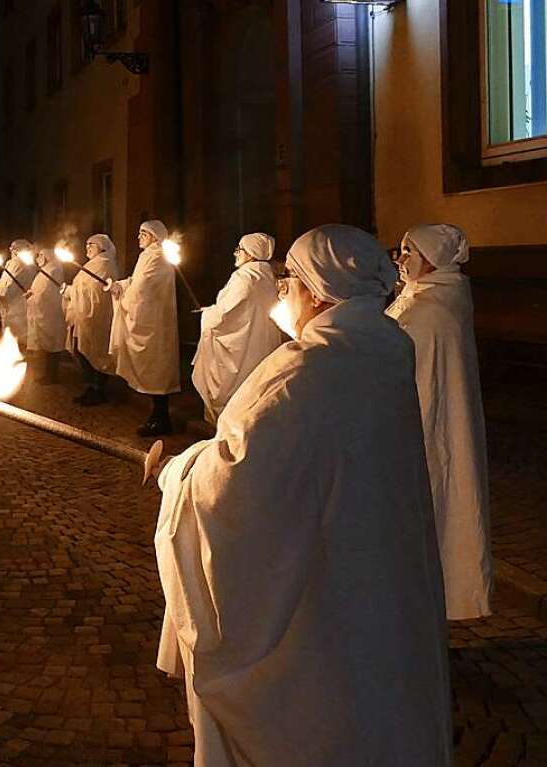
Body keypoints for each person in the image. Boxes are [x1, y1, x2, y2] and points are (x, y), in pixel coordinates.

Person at [153, 224, 451, 766]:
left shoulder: (307, 371)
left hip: (320, 598)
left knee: (326, 717)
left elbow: (242, 490)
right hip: (375, 575)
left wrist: (181, 470)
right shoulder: (383, 349)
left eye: (290, 280)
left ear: (318, 291)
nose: (283, 291)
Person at [387, 223, 492, 620]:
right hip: (426, 420)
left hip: (428, 425)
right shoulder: (426, 297)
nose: (400, 260)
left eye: (408, 252)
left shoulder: (431, 309)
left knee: (433, 505)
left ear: (432, 259)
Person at [191, 232, 283, 424]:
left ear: (251, 253)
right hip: (261, 343)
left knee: (235, 392)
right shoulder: (267, 276)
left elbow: (226, 313)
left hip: (241, 347)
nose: (236, 254)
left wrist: (207, 315)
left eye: (239, 249)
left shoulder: (245, 276)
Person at [109, 220, 180, 436]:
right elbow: (136, 281)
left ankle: (161, 418)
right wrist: (120, 285)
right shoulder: (149, 255)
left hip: (154, 322)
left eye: (143, 233)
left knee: (156, 368)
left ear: (155, 237)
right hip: (151, 319)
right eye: (139, 232)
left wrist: (123, 299)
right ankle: (158, 416)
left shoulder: (157, 256)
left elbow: (143, 288)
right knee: (153, 369)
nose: (139, 236)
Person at [62, 233, 119, 405]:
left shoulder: (105, 263)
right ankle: (89, 387)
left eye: (92, 244)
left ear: (102, 247)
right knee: (82, 350)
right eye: (86, 244)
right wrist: (71, 290)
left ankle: (98, 390)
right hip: (83, 315)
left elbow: (95, 290)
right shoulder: (92, 264)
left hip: (97, 316)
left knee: (97, 351)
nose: (87, 247)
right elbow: (83, 287)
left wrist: (72, 291)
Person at [25, 246, 67, 383]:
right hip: (44, 312)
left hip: (51, 313)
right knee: (47, 345)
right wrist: (31, 293)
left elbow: (47, 293)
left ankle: (52, 376)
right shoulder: (44, 271)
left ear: (47, 257)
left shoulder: (54, 270)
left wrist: (33, 298)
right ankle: (47, 374)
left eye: (40, 256)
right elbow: (38, 289)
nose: (38, 259)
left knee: (53, 345)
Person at [0, 239, 37, 349]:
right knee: (12, 332)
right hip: (11, 304)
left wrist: (1, 293)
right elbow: (4, 281)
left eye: (13, 248)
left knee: (18, 333)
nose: (11, 250)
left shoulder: (19, 264)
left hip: (18, 304)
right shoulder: (11, 263)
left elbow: (10, 285)